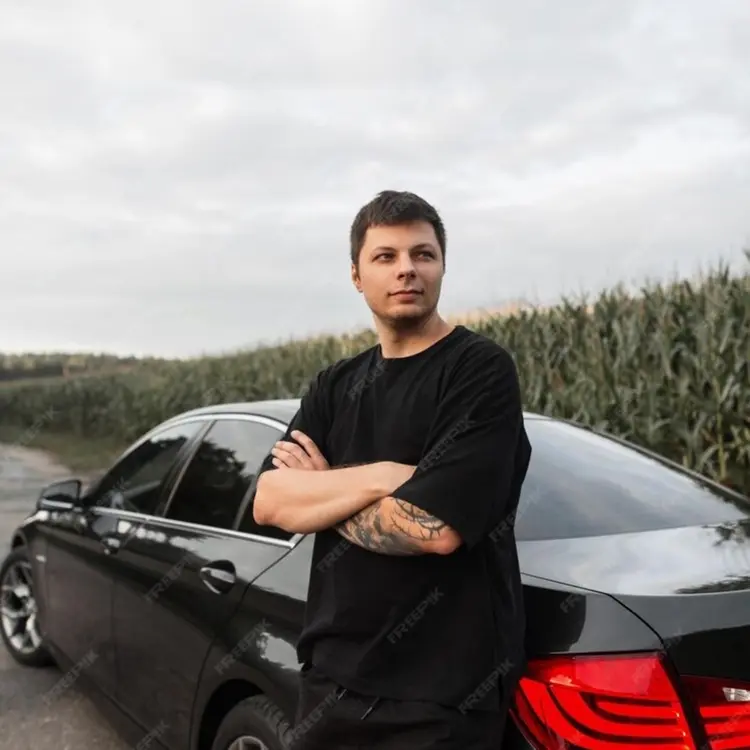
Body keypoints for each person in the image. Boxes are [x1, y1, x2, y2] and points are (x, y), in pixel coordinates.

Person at [253, 190, 532, 750]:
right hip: (330, 678)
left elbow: (436, 529)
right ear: (357, 276)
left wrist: (322, 491)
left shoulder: (479, 371)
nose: (407, 269)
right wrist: (384, 476)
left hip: (440, 698)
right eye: (386, 256)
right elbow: (269, 502)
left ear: (442, 267)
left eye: (423, 254)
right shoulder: (335, 385)